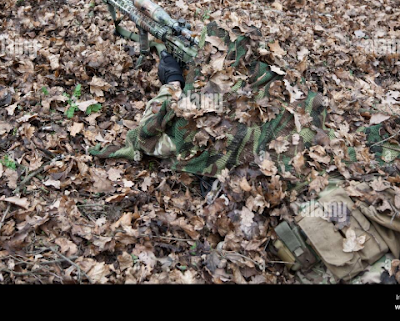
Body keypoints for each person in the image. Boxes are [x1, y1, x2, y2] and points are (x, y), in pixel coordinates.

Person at [91, 21, 400, 284]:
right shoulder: (289, 88)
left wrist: (172, 83)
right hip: (353, 197)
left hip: (341, 241)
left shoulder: (199, 127)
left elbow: (146, 139)